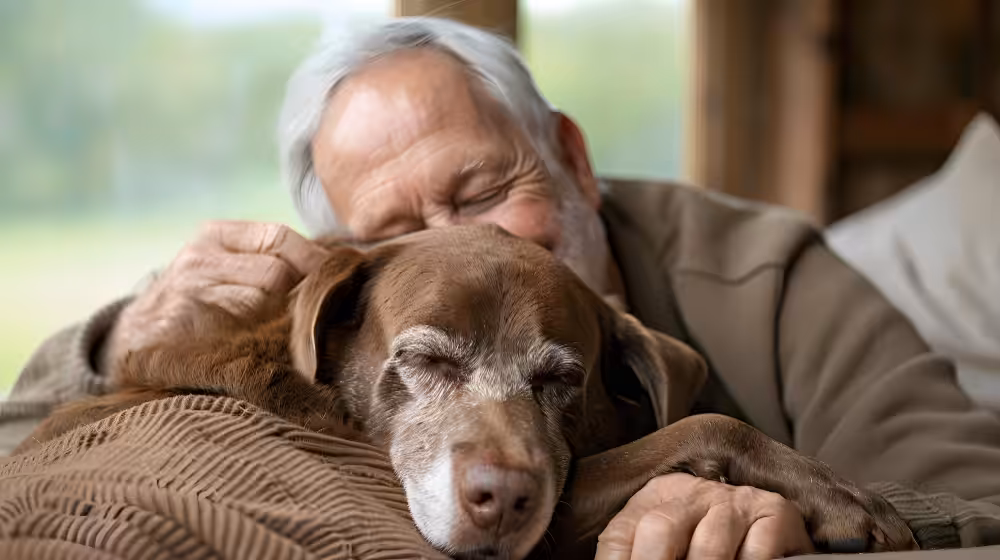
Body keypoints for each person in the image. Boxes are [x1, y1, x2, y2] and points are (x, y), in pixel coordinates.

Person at [4, 17, 1000, 559]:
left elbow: (978, 506)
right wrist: (110, 340)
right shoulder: (333, 294)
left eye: (482, 190)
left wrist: (780, 512)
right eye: (399, 232)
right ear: (344, 250)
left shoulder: (771, 277)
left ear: (571, 156)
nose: (465, 248)